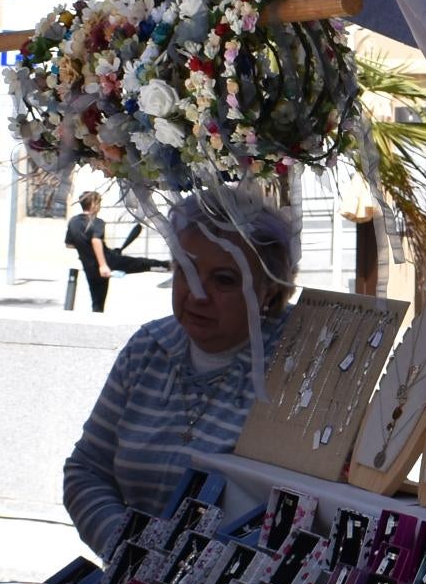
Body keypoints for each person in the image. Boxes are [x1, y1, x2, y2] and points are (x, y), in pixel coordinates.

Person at [62, 188, 296, 553]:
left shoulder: (301, 361)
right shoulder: (147, 348)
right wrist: (127, 552)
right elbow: (87, 471)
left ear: (269, 289)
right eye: (186, 270)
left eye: (224, 280)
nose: (198, 294)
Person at [61, 189, 121, 311]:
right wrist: (103, 265)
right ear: (94, 204)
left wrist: (84, 247)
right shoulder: (97, 222)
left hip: (86, 263)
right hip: (100, 263)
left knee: (95, 295)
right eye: (98, 203)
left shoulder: (73, 221)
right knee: (99, 298)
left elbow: (69, 244)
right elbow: (96, 240)